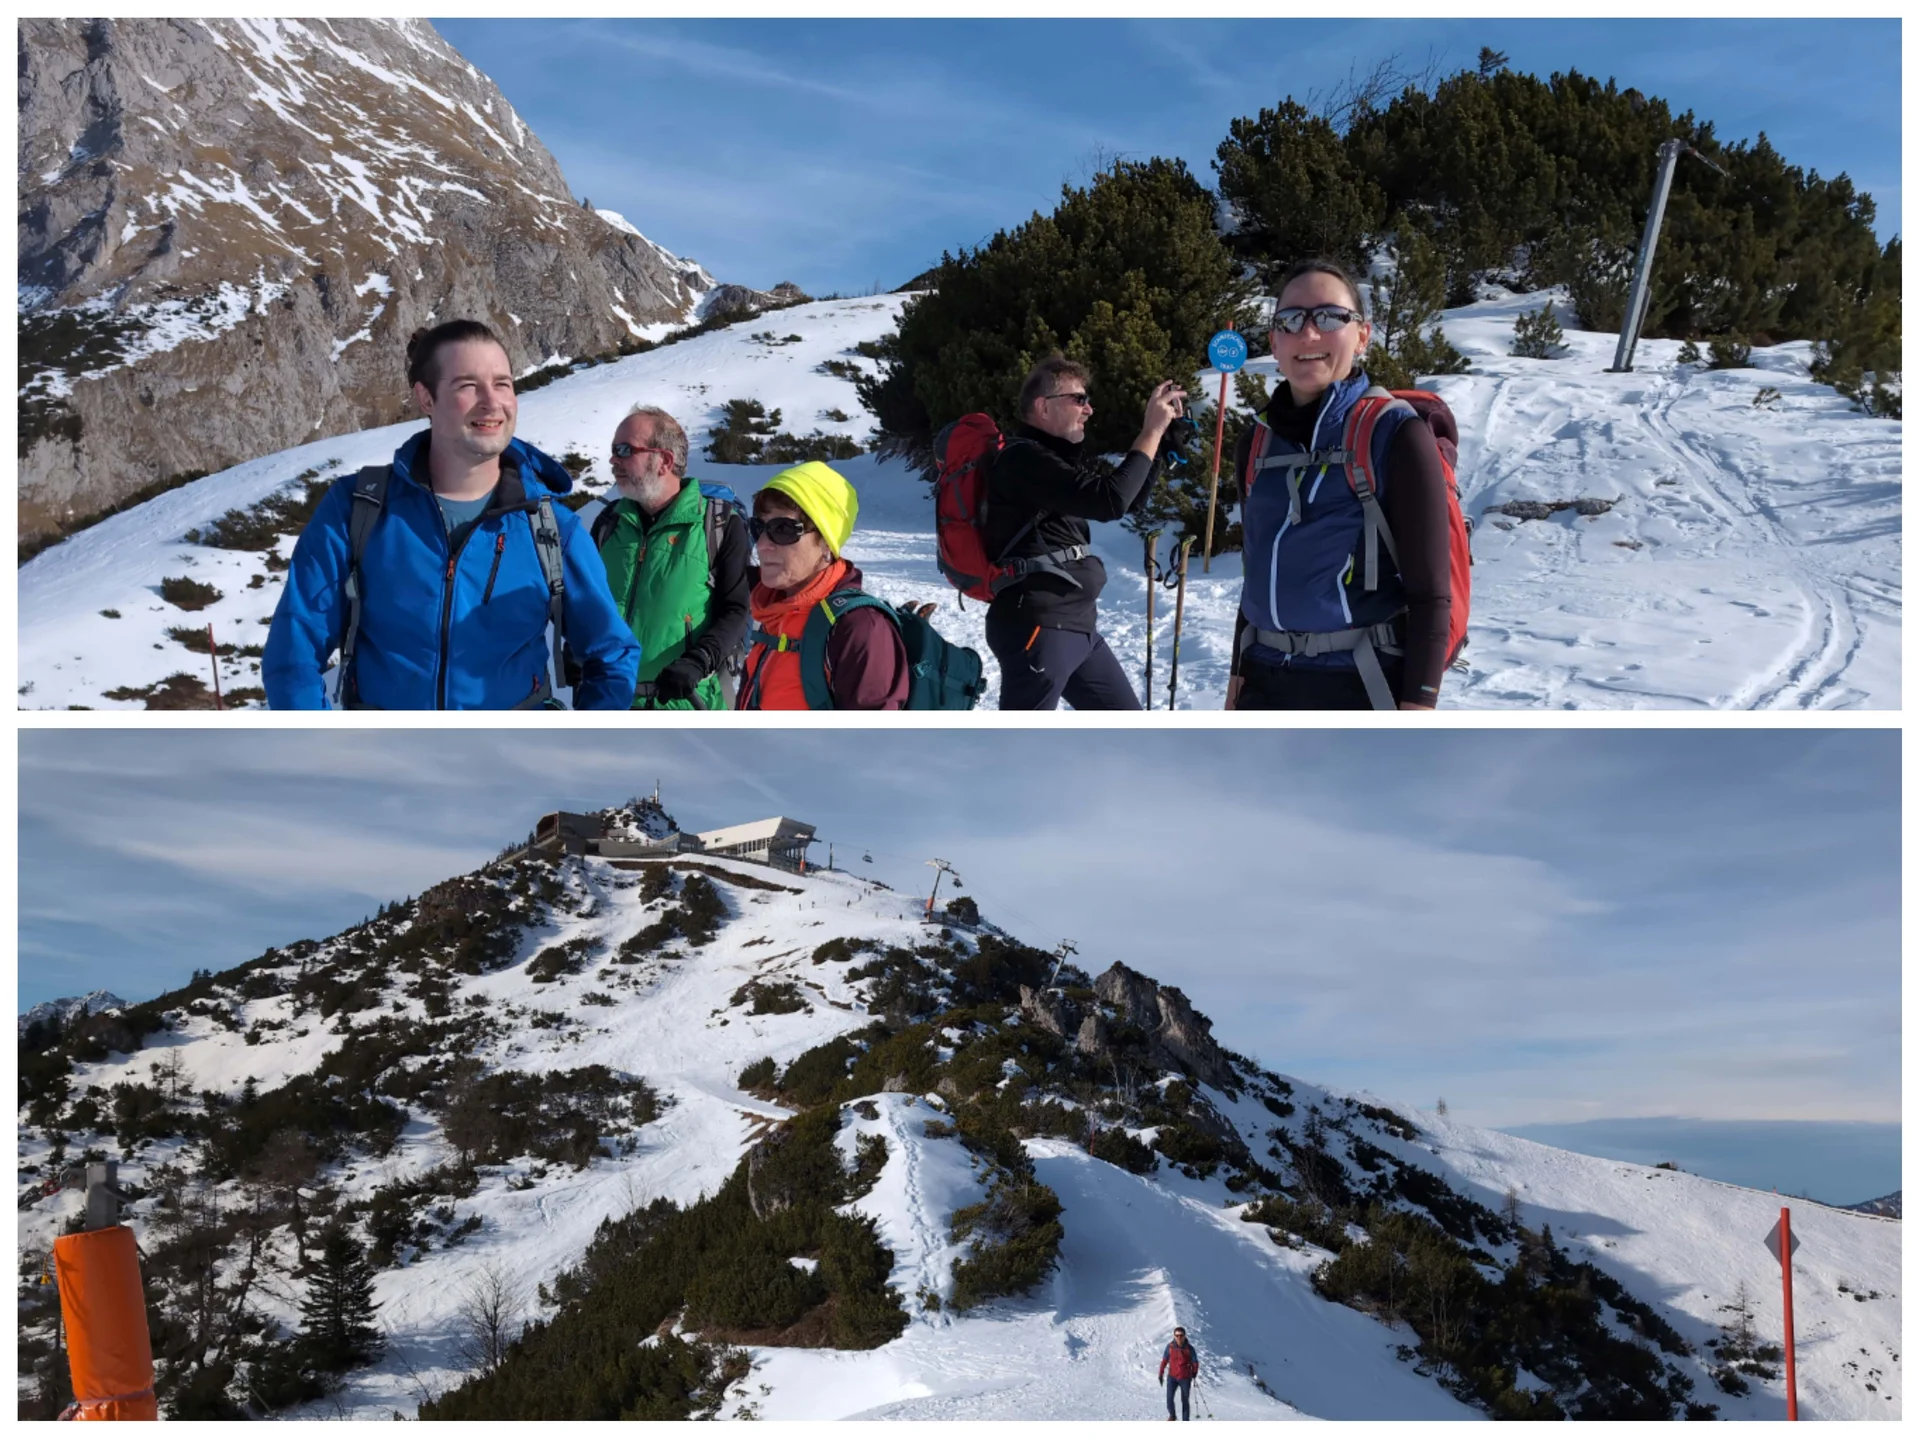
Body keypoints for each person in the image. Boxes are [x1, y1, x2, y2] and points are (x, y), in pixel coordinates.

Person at [264, 320, 639, 709]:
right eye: (468, 386)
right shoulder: (357, 508)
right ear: (426, 399)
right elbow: (294, 653)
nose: (491, 402)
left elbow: (612, 654)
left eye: (502, 384)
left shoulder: (551, 529)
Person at [1226, 259, 1454, 710]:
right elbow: (1256, 576)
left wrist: (1419, 707)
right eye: (1291, 320)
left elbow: (1431, 595)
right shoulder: (1256, 443)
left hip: (1361, 681)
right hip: (1263, 678)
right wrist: (1235, 685)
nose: (1308, 334)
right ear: (1274, 340)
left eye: (1330, 317)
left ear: (1362, 336)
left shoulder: (1395, 434)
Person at [984, 357, 1186, 710]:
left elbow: (1129, 501)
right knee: (1020, 740)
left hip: (1076, 624)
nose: (1089, 409)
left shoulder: (1050, 461)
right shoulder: (1022, 460)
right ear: (1043, 407)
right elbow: (1110, 500)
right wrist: (1150, 431)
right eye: (1079, 399)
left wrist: (1161, 445)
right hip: (1038, 624)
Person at [592, 405, 750, 710]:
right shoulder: (609, 523)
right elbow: (588, 601)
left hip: (686, 703)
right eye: (613, 450)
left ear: (664, 461)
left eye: (624, 450)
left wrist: (699, 661)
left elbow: (736, 610)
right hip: (609, 701)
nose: (613, 460)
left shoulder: (718, 525)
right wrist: (579, 649)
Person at [737, 461, 910, 710]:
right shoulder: (775, 612)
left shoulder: (860, 628)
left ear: (826, 542)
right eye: (758, 528)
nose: (762, 544)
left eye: (783, 529)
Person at [1158, 1325, 1199, 1420]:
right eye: (1177, 1335)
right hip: (1172, 1377)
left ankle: (1185, 1420)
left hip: (1185, 1378)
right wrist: (1161, 1373)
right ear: (1174, 1336)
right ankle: (1172, 1416)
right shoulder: (1170, 1347)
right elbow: (1164, 1360)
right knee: (1169, 1398)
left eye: (1181, 1335)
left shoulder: (1190, 1349)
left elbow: (1195, 1362)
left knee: (1185, 1401)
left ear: (1184, 1336)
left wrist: (1194, 1372)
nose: (1179, 1337)